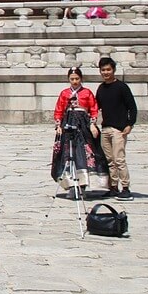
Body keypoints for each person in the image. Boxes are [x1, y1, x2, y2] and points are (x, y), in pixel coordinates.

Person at [50, 67, 109, 197]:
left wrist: (93, 124)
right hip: (68, 125)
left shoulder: (87, 93)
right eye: (72, 79)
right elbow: (59, 109)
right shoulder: (64, 93)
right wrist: (58, 125)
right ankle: (71, 185)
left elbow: (93, 109)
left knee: (85, 153)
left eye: (77, 79)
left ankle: (83, 185)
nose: (75, 81)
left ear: (81, 79)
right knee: (68, 153)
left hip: (83, 126)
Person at [96, 56, 138, 200]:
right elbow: (97, 107)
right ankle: (113, 186)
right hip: (105, 128)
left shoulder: (121, 87)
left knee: (119, 159)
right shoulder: (101, 88)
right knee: (109, 160)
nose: (106, 72)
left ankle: (125, 187)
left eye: (108, 69)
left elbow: (132, 107)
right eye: (103, 70)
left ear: (113, 70)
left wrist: (129, 124)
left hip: (118, 129)